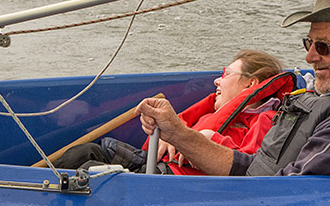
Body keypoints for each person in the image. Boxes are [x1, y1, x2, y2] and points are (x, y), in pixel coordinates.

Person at [135, 0, 330, 177]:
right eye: (308, 43)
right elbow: (256, 170)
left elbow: (276, 194)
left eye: (323, 46)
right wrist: (179, 134)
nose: (309, 56)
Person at [53, 49, 293, 174]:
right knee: (81, 154)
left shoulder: (266, 120)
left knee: (86, 175)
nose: (217, 82)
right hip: (151, 164)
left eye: (226, 74)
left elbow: (252, 167)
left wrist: (204, 140)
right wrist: (164, 134)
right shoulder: (210, 112)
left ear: (251, 84)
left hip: (173, 182)